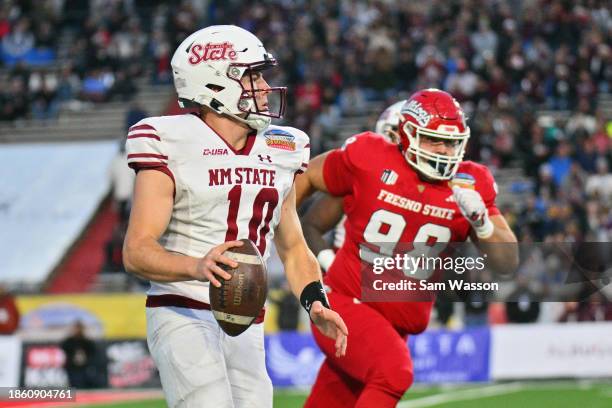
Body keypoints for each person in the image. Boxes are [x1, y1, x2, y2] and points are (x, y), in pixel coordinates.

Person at [122, 25, 347, 408]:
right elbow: (136, 251)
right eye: (251, 75)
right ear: (212, 83)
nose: (262, 86)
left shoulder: (283, 146)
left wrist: (316, 301)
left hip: (246, 317)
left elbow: (293, 247)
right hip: (183, 310)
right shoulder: (168, 139)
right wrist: (197, 266)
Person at [296, 89, 518, 407]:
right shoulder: (370, 157)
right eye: (433, 140)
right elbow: (305, 180)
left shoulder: (471, 182)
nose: (443, 151)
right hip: (346, 302)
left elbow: (507, 261)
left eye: (451, 142)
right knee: (393, 374)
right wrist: (276, 226)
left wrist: (482, 223)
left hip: (396, 322)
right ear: (408, 133)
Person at [302, 100, 406, 273]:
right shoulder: (364, 171)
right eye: (398, 131)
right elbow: (311, 225)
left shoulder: (434, 185)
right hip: (350, 285)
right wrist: (332, 264)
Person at [60, 321, 98, 389]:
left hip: (84, 368)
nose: (77, 330)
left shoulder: (86, 341)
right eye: (76, 328)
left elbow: (93, 352)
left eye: (79, 328)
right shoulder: (69, 341)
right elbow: (63, 347)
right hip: (72, 367)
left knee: (83, 385)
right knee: (73, 385)